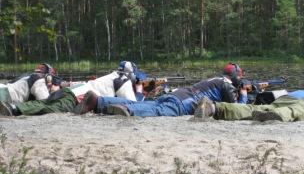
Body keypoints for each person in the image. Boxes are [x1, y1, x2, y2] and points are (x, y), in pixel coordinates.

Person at [74, 63, 249, 117]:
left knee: (152, 104)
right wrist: (243, 96)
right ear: (236, 77)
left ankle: (99, 101)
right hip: (184, 104)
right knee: (155, 111)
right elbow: (234, 109)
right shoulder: (227, 85)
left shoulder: (216, 79)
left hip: (177, 95)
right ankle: (127, 110)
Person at [193, 69, 304, 122]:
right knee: (292, 112)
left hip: (293, 95)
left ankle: (213, 107)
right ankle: (272, 117)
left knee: (253, 107)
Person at [0, 61, 143, 116]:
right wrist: (140, 92)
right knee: (51, 110)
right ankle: (14, 109)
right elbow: (133, 105)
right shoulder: (122, 80)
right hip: (79, 96)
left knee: (44, 104)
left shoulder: (110, 77)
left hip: (75, 89)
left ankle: (13, 107)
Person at [0, 63, 66, 103]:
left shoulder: (27, 77)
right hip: (5, 94)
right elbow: (45, 102)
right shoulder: (38, 80)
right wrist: (53, 91)